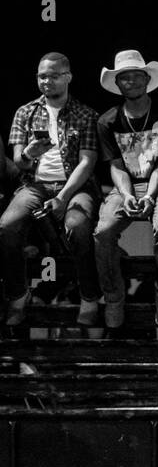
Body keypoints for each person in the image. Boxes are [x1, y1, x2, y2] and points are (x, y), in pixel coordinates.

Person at [2, 52, 103, 326]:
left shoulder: (85, 114)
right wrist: (30, 153)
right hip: (35, 184)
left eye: (53, 75)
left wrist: (63, 196)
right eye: (42, 76)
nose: (46, 81)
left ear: (68, 77)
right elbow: (19, 162)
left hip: (74, 185)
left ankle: (89, 296)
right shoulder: (25, 112)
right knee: (7, 226)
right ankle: (18, 294)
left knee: (78, 227)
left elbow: (87, 162)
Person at [92, 50, 158, 327]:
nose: (131, 81)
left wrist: (151, 195)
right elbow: (116, 165)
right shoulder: (107, 121)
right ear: (118, 84)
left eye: (137, 76)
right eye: (125, 77)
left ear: (147, 79)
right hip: (124, 187)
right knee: (103, 231)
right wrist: (129, 194)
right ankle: (114, 296)